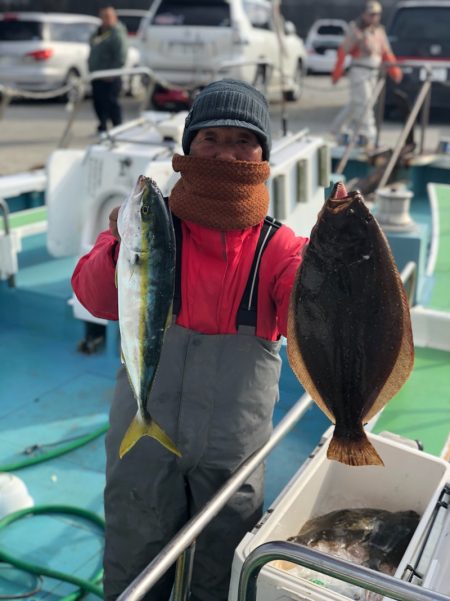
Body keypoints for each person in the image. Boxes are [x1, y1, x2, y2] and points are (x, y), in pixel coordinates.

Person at [71, 78, 309, 601]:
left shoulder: (282, 247)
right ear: (188, 147)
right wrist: (116, 244)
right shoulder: (152, 226)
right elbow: (96, 298)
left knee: (222, 567)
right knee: (134, 558)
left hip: (233, 452)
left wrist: (338, 273)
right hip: (142, 438)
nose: (226, 152)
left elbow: (310, 319)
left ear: (262, 153)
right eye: (210, 138)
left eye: (243, 140)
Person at [330, 0, 403, 148]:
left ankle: (336, 128)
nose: (374, 18)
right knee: (365, 105)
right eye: (371, 14)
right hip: (360, 71)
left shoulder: (379, 31)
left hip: (373, 72)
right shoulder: (355, 30)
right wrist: (337, 74)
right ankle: (370, 136)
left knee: (357, 103)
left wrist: (395, 71)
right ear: (364, 14)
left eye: (377, 15)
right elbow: (343, 51)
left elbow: (386, 53)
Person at [88, 5, 128, 133]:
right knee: (98, 102)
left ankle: (118, 127)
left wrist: (113, 73)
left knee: (112, 103)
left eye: (108, 17)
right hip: (97, 75)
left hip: (111, 77)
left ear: (114, 17)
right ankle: (102, 125)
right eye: (103, 17)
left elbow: (121, 55)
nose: (106, 19)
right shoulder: (99, 31)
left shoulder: (117, 33)